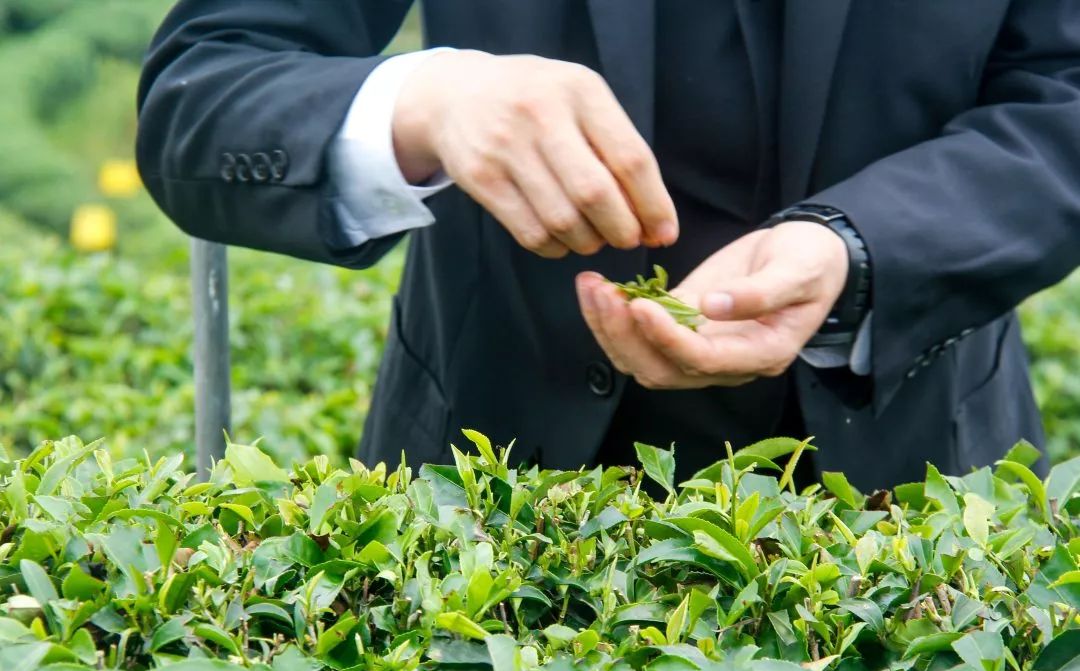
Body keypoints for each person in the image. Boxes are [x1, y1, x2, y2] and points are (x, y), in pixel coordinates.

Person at [136, 1, 1080, 490]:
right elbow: (203, 88)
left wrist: (862, 251)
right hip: (487, 530)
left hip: (920, 502)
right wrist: (431, 104)